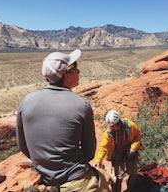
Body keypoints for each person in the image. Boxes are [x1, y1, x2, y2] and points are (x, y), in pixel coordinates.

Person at [16, 49, 109, 192]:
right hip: (75, 179)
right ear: (66, 75)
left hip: (43, 175)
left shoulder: (26, 101)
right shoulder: (81, 105)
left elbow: (23, 146)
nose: (79, 72)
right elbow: (89, 153)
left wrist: (47, 165)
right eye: (75, 68)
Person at [93, 109, 144, 192]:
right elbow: (103, 147)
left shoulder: (130, 126)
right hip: (117, 154)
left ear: (119, 122)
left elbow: (138, 136)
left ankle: (129, 190)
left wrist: (133, 148)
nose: (110, 127)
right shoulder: (109, 133)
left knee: (133, 174)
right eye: (110, 126)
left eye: (113, 126)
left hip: (130, 151)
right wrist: (98, 160)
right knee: (119, 177)